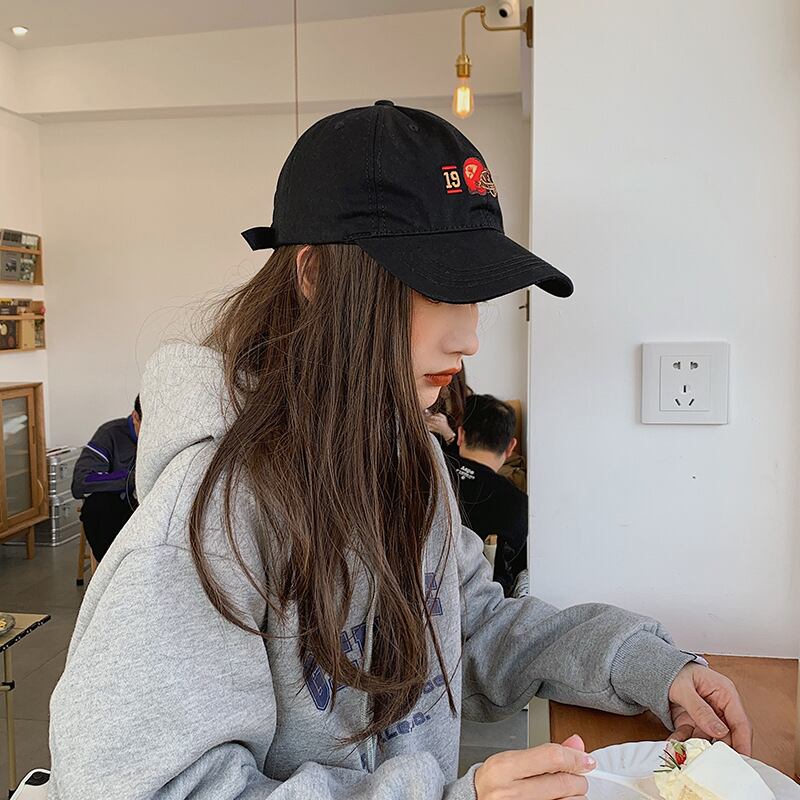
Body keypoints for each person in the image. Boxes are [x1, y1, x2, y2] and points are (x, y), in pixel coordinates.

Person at [49, 102, 751, 800]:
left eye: (476, 297)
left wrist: (648, 667)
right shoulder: (207, 515)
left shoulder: (405, 456)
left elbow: (465, 625)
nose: (468, 338)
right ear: (316, 277)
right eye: (437, 287)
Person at [453, 394, 528, 596]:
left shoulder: (431, 474)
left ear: (460, 435)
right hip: (482, 601)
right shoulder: (516, 502)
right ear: (510, 447)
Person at [71, 395, 140, 562]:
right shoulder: (110, 434)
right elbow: (81, 482)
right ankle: (113, 568)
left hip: (153, 507)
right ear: (135, 417)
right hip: (119, 509)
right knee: (98, 505)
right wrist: (132, 479)